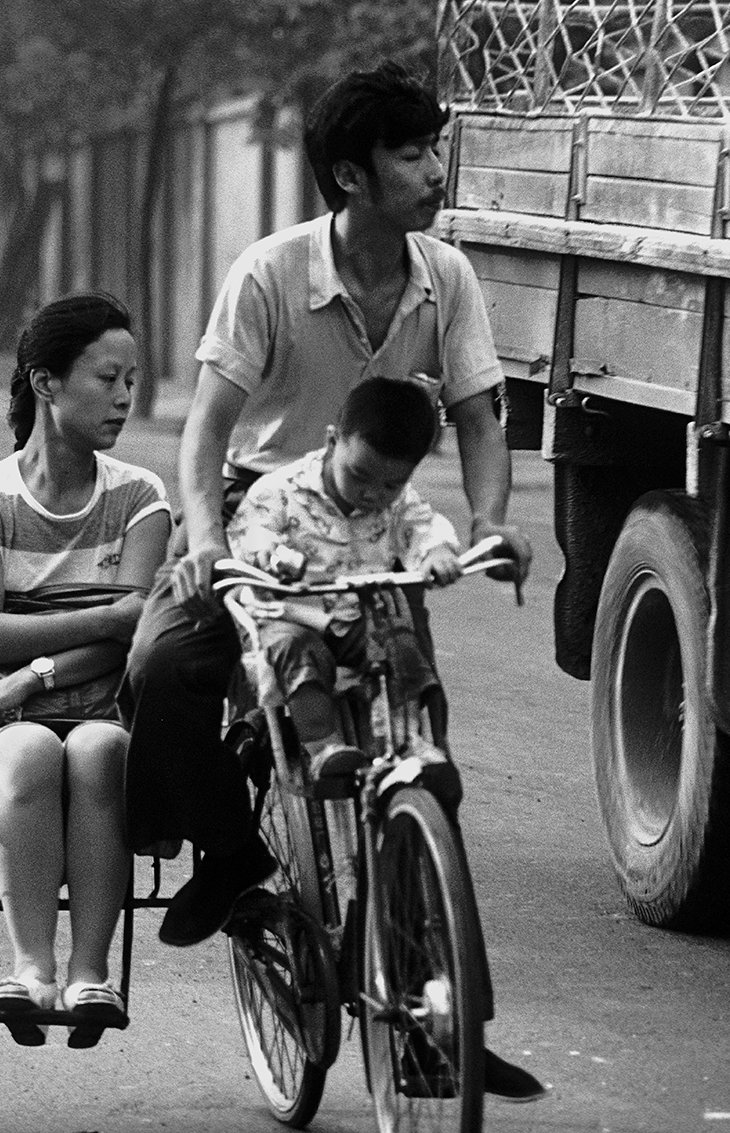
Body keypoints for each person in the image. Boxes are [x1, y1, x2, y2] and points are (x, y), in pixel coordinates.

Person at [118, 61, 543, 1099]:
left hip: (378, 528)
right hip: (259, 513)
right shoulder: (269, 271)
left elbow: (483, 417)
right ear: (351, 176)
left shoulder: (447, 276)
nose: (436, 171)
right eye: (413, 154)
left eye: (433, 148)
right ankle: (230, 852)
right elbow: (207, 426)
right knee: (162, 668)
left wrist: (489, 523)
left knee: (417, 760)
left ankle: (438, 1005)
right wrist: (210, 539)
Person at [0, 291, 170, 1049]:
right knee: (37, 748)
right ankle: (31, 969)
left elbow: (132, 639)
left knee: (100, 748)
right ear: (46, 382)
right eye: (107, 378)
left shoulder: (141, 499)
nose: (124, 397)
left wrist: (32, 670)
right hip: (1, 733)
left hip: (103, 714)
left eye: (132, 381)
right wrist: (106, 617)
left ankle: (90, 974)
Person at [227, 377, 462, 781]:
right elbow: (251, 531)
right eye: (360, 475)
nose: (373, 494)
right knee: (293, 649)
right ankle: (324, 749)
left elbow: (423, 526)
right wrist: (266, 550)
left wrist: (437, 553)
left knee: (399, 643)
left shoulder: (399, 503)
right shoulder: (281, 490)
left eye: (391, 483)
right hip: (290, 613)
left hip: (356, 614)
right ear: (333, 441)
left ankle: (404, 740)